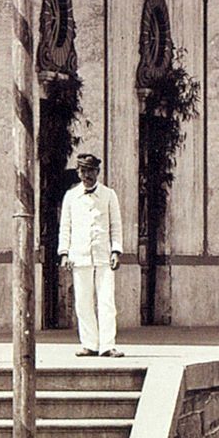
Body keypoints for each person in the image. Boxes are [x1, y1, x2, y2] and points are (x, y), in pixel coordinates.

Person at [55, 151, 124, 357]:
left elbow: (115, 225)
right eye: (83, 171)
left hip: (103, 255)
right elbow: (65, 226)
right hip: (80, 255)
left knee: (106, 301)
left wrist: (116, 250)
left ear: (98, 172)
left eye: (91, 171)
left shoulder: (109, 195)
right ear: (78, 172)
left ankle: (107, 345)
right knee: (83, 302)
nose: (87, 175)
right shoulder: (71, 196)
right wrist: (64, 253)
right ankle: (89, 343)